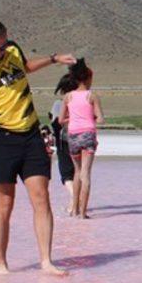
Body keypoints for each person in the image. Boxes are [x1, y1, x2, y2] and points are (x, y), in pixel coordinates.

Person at [0, 19, 76, 275]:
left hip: (30, 135)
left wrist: (53, 59)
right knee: (5, 204)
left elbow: (27, 66)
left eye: (2, 47)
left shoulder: (12, 50)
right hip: (0, 140)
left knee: (41, 197)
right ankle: (1, 265)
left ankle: (46, 261)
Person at [58, 59, 104, 219]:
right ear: (88, 79)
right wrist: (89, 116)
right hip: (88, 135)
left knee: (77, 172)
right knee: (86, 173)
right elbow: (100, 119)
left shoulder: (68, 97)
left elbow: (60, 120)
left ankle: (75, 209)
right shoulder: (92, 96)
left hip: (73, 135)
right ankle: (83, 212)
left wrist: (72, 119)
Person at [50, 74, 78, 215]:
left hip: (64, 141)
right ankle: (74, 203)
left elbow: (55, 122)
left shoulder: (58, 104)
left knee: (66, 174)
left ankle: (74, 198)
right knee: (78, 172)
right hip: (81, 139)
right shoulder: (81, 102)